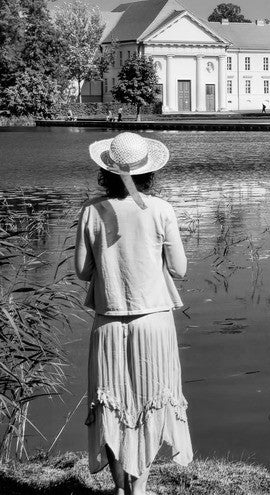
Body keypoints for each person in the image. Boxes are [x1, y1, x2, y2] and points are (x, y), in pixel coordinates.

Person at [75, 132, 193, 495]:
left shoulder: (92, 211)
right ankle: (138, 490)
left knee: (112, 404)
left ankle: (120, 489)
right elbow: (179, 269)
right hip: (153, 321)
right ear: (148, 172)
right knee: (149, 402)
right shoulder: (160, 209)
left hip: (109, 321)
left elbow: (82, 271)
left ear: (106, 172)